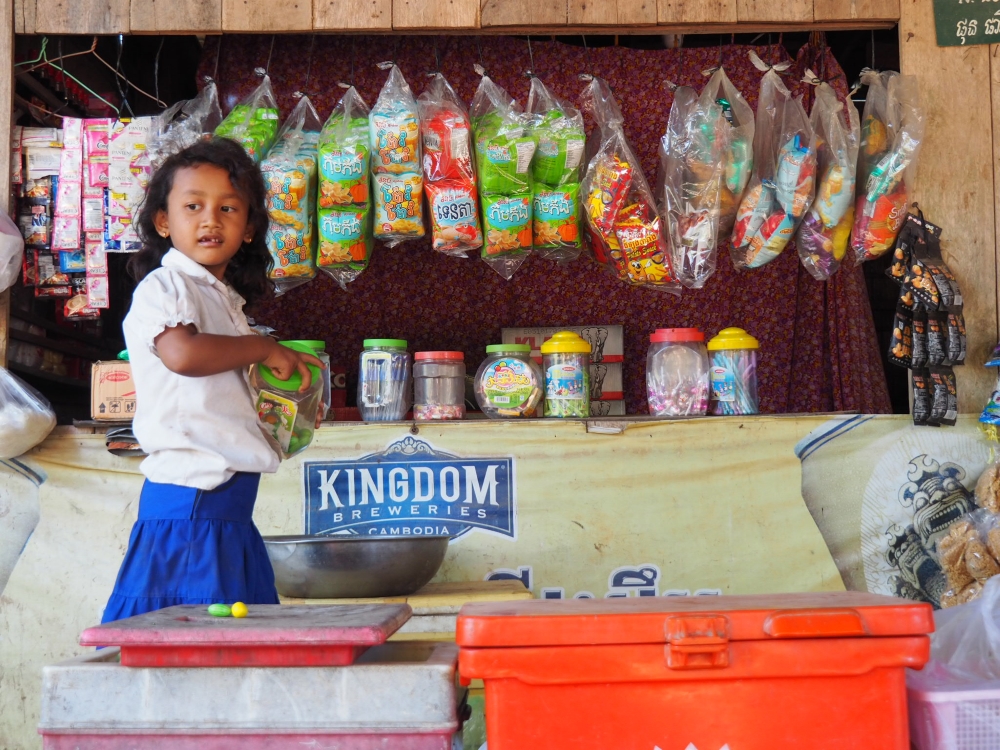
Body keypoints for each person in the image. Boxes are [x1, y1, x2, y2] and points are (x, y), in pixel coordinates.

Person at [101, 137, 323, 623]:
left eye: (228, 208)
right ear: (164, 221)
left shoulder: (224, 300)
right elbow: (183, 355)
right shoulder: (166, 285)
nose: (210, 220)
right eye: (193, 206)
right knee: (190, 642)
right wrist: (264, 348)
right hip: (192, 500)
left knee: (232, 642)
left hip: (225, 504)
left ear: (248, 228)